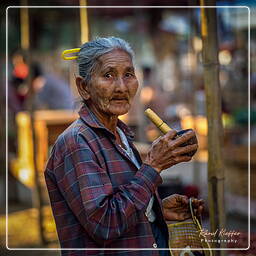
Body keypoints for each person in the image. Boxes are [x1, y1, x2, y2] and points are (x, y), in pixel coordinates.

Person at [45, 37, 203, 256]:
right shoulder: (77, 143)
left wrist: (156, 209)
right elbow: (105, 224)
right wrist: (153, 166)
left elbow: (122, 203)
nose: (121, 87)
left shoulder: (120, 133)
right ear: (84, 87)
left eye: (128, 74)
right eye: (108, 75)